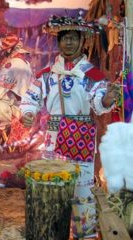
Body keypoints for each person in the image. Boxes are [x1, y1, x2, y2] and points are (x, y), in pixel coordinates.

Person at [19, 15, 121, 238]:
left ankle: (85, 234)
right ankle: (54, 232)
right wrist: (28, 113)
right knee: (54, 189)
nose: (68, 43)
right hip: (54, 138)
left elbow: (99, 99)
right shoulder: (47, 75)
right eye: (64, 38)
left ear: (82, 41)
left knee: (81, 190)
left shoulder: (92, 76)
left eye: (73, 38)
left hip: (81, 136)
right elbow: (31, 97)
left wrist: (105, 100)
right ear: (59, 42)